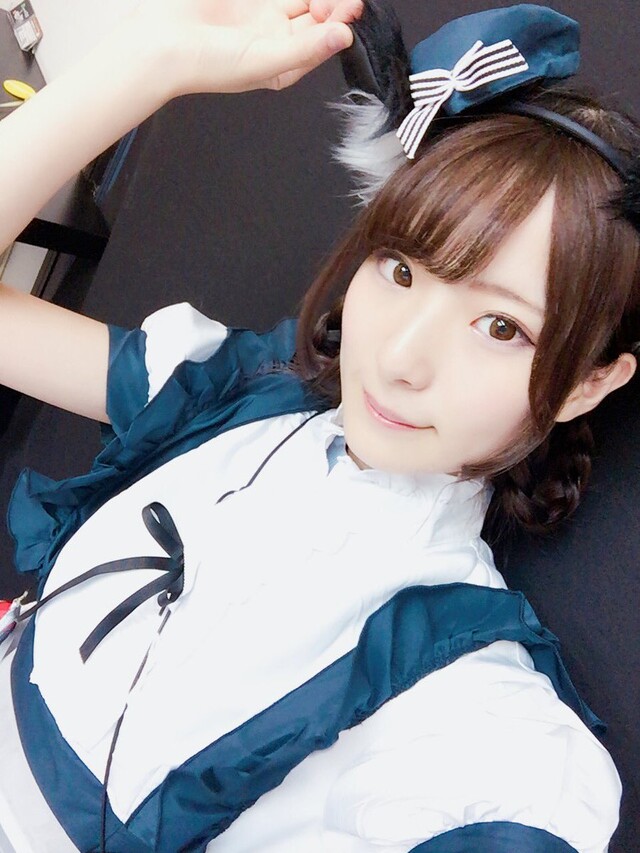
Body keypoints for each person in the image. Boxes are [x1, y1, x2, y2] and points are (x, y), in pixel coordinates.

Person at [0, 1, 637, 851]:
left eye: (500, 326)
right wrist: (154, 59)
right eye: (401, 269)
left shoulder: (472, 708)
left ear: (589, 383)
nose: (399, 357)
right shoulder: (240, 391)